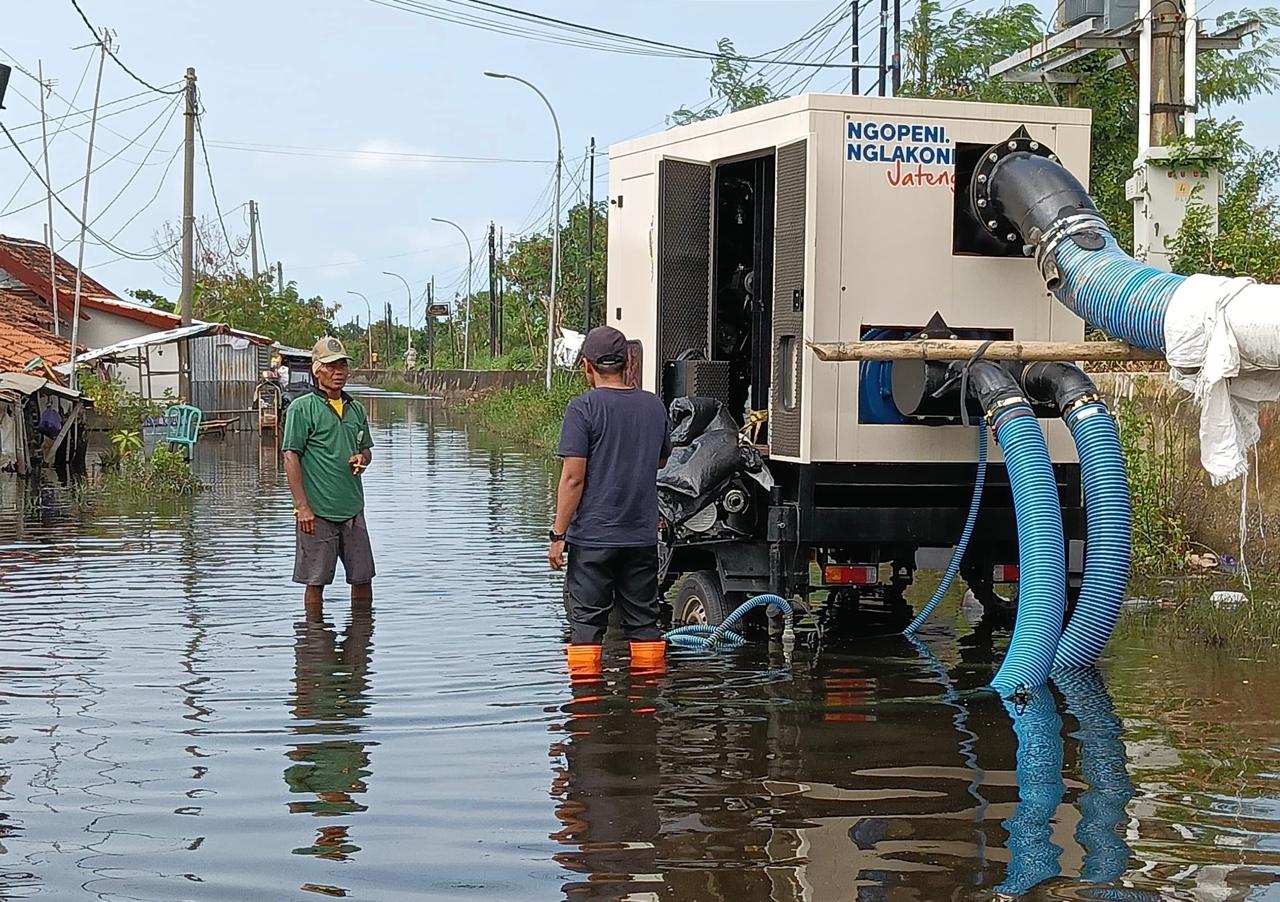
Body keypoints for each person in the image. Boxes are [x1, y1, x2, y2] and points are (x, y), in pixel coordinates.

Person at [549, 326, 671, 678]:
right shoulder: (653, 406)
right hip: (641, 538)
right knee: (645, 622)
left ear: (587, 366)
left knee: (586, 625)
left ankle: (587, 718)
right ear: (628, 362)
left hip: (593, 540)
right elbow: (660, 461)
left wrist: (558, 536)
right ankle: (646, 712)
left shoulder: (582, 409)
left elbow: (573, 478)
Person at [283, 336, 375, 611]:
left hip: (352, 508)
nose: (339, 373)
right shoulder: (302, 408)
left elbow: (366, 449)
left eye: (342, 366)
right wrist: (302, 507)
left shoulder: (356, 408)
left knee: (363, 577)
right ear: (316, 370)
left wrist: (363, 459)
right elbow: (290, 456)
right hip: (317, 511)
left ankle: (361, 638)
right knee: (316, 581)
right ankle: (314, 643)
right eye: (331, 366)